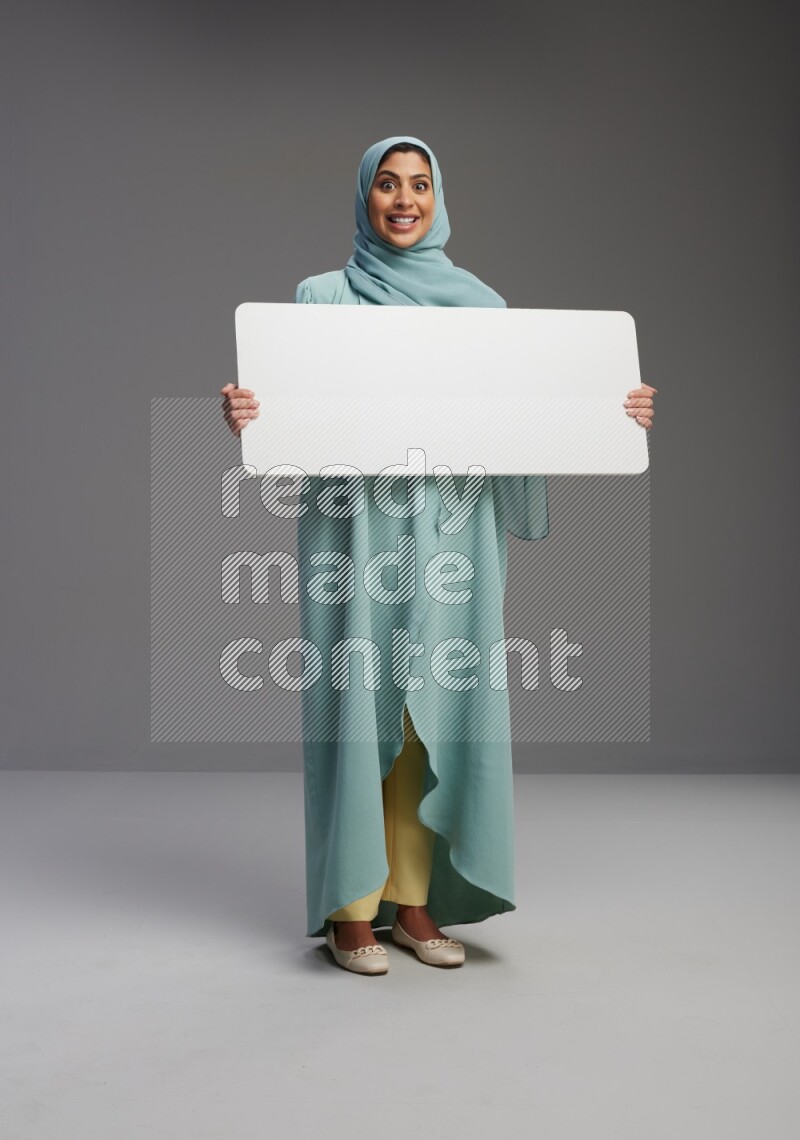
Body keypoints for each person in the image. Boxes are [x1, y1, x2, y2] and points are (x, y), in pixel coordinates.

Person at [222, 135, 657, 976]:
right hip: (355, 534)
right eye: (387, 184)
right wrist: (247, 412)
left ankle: (413, 902)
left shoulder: (482, 310)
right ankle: (353, 909)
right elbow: (290, 412)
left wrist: (614, 408)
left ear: (439, 197)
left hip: (455, 533)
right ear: (365, 197)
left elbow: (528, 417)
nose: (404, 199)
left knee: (431, 717)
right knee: (357, 711)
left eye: (420, 184)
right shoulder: (322, 298)